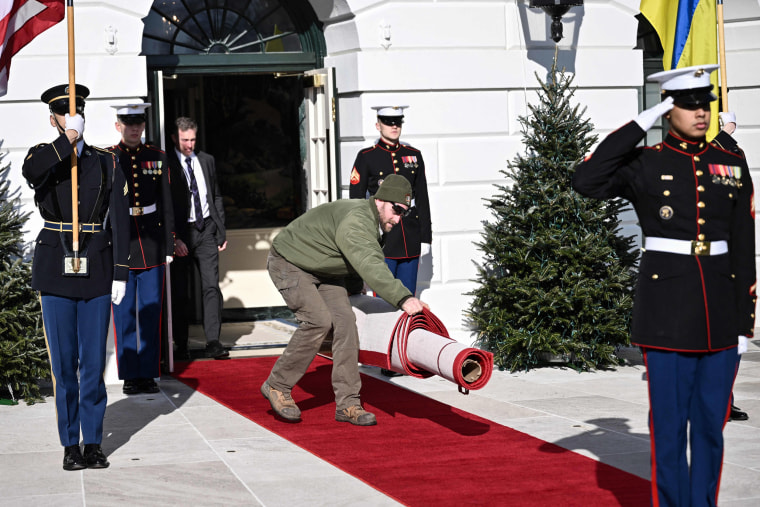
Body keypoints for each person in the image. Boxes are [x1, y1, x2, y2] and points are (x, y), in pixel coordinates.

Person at [573, 65, 756, 506]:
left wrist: (744, 323)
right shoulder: (646, 161)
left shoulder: (729, 162)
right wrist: (638, 122)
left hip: (718, 313)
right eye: (689, 104)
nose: (700, 112)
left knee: (711, 426)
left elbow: (743, 242)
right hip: (666, 312)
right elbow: (586, 180)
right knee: (670, 428)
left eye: (705, 104)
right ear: (669, 108)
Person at [261, 174, 428, 426]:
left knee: (346, 324)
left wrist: (352, 289)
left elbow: (349, 260)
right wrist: (403, 297)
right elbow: (369, 262)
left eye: (403, 213)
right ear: (381, 201)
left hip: (324, 269)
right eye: (396, 210)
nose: (397, 218)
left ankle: (348, 404)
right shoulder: (359, 220)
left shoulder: (372, 221)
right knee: (318, 320)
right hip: (290, 261)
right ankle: (277, 385)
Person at [22, 84, 130, 470]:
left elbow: (119, 217)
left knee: (92, 364)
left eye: (77, 115)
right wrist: (66, 140)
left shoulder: (105, 162)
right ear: (53, 119)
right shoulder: (42, 155)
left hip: (97, 268)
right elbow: (33, 173)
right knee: (64, 365)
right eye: (64, 116)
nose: (72, 120)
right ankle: (70, 443)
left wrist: (120, 272)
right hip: (55, 270)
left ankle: (94, 442)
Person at [109, 103, 175, 394]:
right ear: (118, 125)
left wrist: (170, 243)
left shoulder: (157, 156)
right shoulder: (108, 158)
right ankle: (129, 376)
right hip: (121, 246)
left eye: (138, 122)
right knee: (123, 315)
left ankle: (148, 374)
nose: (134, 127)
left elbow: (168, 202)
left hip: (151, 244)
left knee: (149, 313)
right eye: (128, 122)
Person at [349, 105, 432, 295]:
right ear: (378, 125)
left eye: (398, 122)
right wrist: (362, 237)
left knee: (408, 296)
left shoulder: (413, 156)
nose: (394, 126)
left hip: (410, 237)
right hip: (383, 239)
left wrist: (425, 237)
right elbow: (357, 201)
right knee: (384, 299)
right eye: (388, 122)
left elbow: (422, 198)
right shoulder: (366, 157)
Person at [167, 117, 228, 360]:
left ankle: (213, 341)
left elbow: (216, 196)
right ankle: (181, 344)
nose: (189, 144)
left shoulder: (207, 160)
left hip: (206, 231)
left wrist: (221, 229)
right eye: (185, 140)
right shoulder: (167, 163)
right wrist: (173, 238)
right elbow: (165, 204)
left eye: (192, 139)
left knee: (211, 286)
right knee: (180, 291)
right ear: (175, 138)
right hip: (182, 234)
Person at [712, 111, 751, 423]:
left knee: (733, 336)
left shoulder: (734, 156)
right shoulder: (707, 152)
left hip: (734, 255)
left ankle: (725, 400)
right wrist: (724, 134)